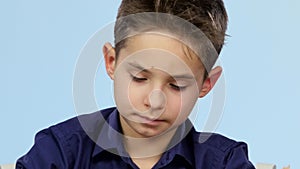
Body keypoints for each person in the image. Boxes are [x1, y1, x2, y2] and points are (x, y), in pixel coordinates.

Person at [16, 0, 255, 168]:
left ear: (206, 84)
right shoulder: (59, 153)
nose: (154, 101)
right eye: (140, 78)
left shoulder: (225, 162)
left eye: (177, 86)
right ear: (111, 62)